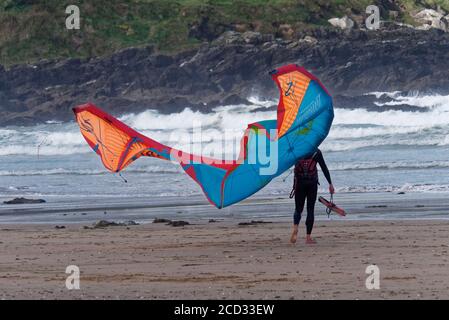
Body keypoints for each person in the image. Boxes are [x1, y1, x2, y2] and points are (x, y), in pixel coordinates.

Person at [289, 149, 334, 244]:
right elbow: (324, 168)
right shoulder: (316, 152)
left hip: (299, 184)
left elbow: (284, 163)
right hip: (312, 184)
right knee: (310, 209)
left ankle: (296, 228)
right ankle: (308, 238)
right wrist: (330, 184)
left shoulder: (296, 150)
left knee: (298, 209)